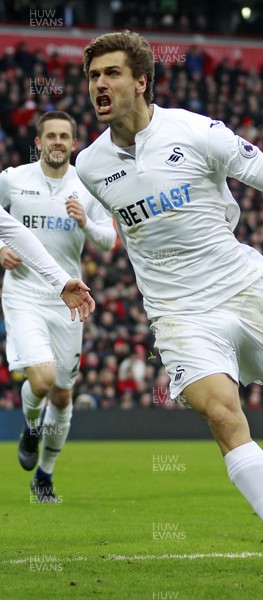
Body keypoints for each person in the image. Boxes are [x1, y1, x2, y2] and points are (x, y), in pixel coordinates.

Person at [76, 31, 263, 572]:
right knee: (222, 413)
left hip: (242, 291)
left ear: (141, 80)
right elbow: (96, 230)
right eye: (92, 76)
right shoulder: (91, 165)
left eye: (111, 73)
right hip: (178, 314)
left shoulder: (197, 132)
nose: (99, 85)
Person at [0, 111, 116, 503]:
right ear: (38, 142)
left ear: (73, 142)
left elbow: (109, 240)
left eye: (64, 136)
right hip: (22, 295)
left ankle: (45, 475)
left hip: (68, 302)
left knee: (63, 395)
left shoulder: (86, 185)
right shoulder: (13, 179)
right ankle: (32, 426)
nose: (57, 142)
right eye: (50, 135)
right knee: (44, 381)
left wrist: (86, 222)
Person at [0, 203, 95, 321]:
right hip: (21, 292)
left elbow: (12, 232)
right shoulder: (10, 184)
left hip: (56, 302)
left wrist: (62, 281)